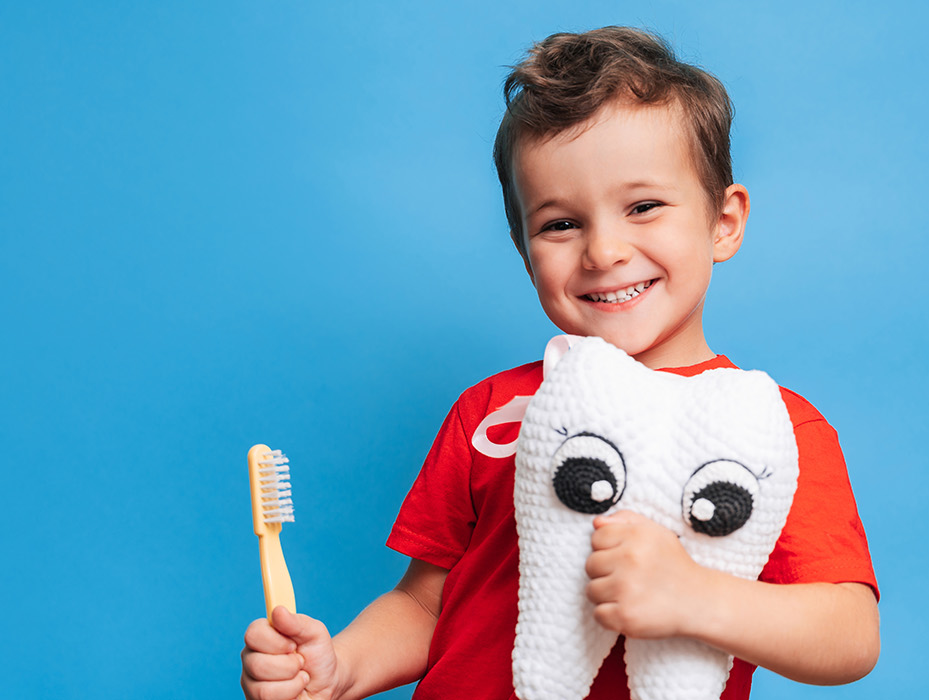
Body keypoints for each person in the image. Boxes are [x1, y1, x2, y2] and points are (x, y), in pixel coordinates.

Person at [241, 26, 879, 700]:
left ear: (724, 221)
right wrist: (337, 669)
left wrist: (697, 597)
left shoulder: (770, 430)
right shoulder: (491, 415)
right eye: (560, 224)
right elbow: (425, 607)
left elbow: (848, 634)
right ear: (522, 247)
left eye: (644, 207)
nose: (604, 251)